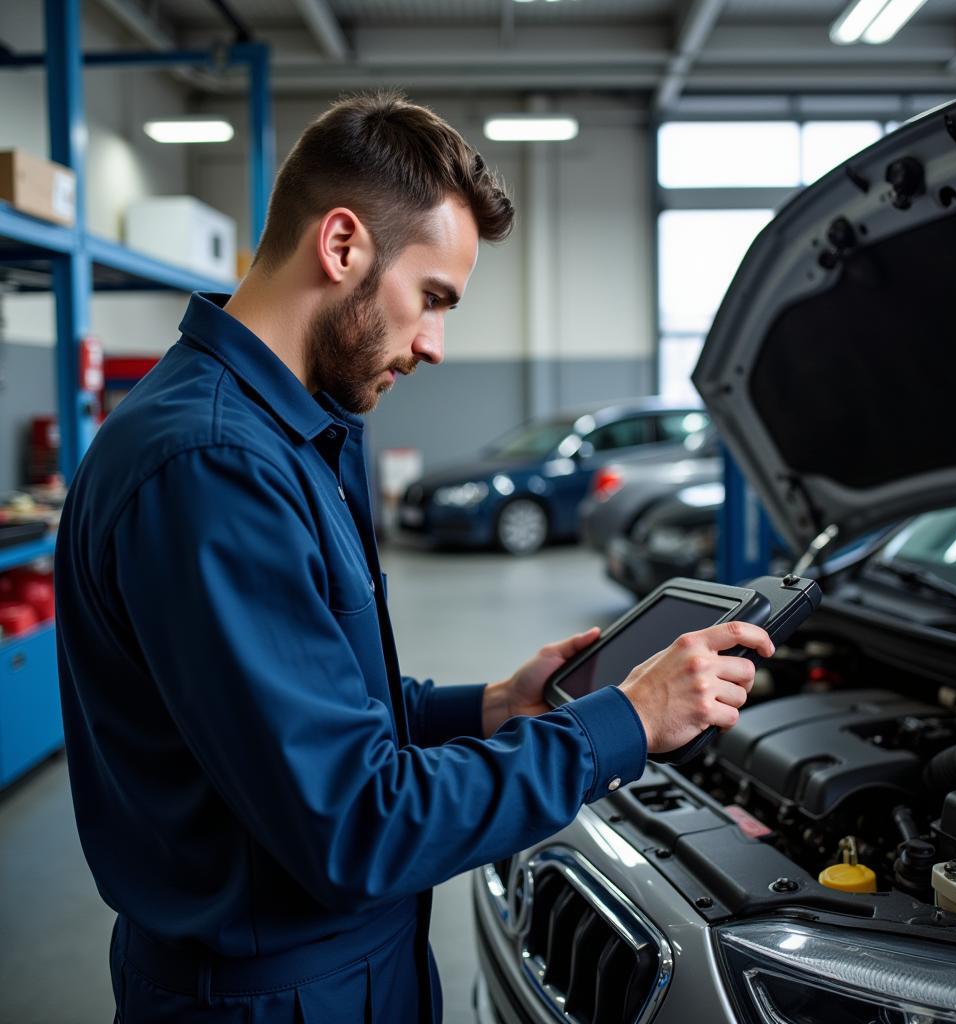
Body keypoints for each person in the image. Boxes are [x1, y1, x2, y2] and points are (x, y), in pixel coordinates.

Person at [55, 92, 773, 1023]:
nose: (435, 344)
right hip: (273, 994)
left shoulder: (288, 434)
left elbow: (317, 710)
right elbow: (357, 822)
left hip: (335, 965)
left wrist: (490, 708)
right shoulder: (214, 466)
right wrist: (626, 721)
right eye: (431, 299)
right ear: (343, 245)